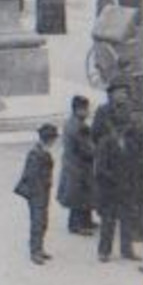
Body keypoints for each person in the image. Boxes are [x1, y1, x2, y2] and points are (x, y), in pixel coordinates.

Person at [93, 83, 143, 264]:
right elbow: (100, 170)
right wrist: (114, 180)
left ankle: (127, 250)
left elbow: (135, 163)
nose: (127, 128)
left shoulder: (131, 143)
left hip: (126, 187)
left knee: (127, 220)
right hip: (110, 188)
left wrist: (132, 181)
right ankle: (104, 252)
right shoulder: (105, 143)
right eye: (124, 125)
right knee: (108, 220)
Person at [15, 123, 59, 265]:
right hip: (37, 194)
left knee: (42, 221)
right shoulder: (37, 154)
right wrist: (40, 194)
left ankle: (39, 249)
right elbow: (33, 176)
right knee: (38, 222)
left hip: (42, 192)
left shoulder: (41, 150)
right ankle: (35, 251)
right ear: (48, 139)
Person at [58, 96, 98, 235]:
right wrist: (98, 151)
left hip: (73, 163)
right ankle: (76, 226)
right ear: (78, 110)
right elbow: (86, 148)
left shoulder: (72, 122)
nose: (88, 112)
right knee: (78, 196)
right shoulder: (79, 127)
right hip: (78, 165)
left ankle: (86, 221)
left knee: (84, 194)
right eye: (86, 109)